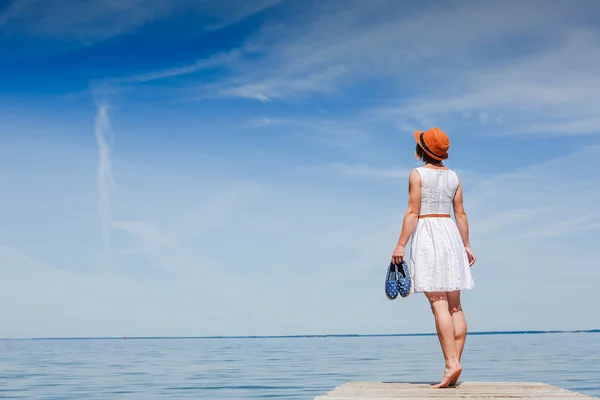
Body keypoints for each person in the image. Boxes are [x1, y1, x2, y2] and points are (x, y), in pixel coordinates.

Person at [391, 127, 476, 388]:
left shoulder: (417, 174)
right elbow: (460, 213)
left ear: (421, 150)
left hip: (428, 233)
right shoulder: (453, 177)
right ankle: (453, 365)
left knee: (438, 302)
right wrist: (467, 245)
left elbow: (412, 212)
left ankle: (452, 364)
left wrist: (400, 245)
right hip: (450, 233)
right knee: (455, 305)